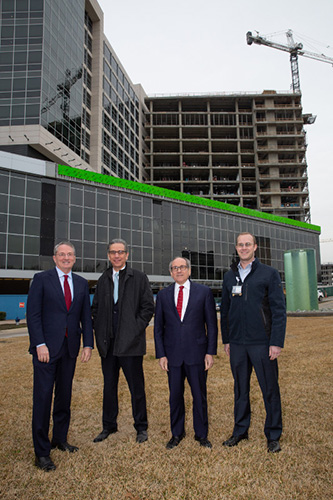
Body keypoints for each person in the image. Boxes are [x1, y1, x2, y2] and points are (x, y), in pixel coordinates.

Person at [27, 241, 93, 471]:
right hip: (45, 350)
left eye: (70, 254)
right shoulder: (41, 279)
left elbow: (85, 316)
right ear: (54, 258)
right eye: (62, 254)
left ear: (75, 258)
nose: (66, 258)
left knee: (64, 396)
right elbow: (33, 315)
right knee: (43, 399)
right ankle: (42, 452)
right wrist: (39, 344)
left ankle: (60, 439)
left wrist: (88, 345)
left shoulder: (82, 283)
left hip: (70, 349)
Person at [221, 232, 286, 453]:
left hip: (262, 343)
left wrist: (276, 342)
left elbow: (279, 311)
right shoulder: (229, 276)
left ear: (255, 247)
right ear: (236, 248)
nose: (244, 248)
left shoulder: (269, 274)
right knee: (240, 389)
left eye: (248, 244)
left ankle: (273, 434)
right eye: (240, 245)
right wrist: (227, 340)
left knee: (270, 389)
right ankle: (240, 431)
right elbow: (226, 311)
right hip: (238, 344)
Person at [92, 239, 154, 444]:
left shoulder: (139, 277)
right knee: (109, 387)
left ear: (127, 255)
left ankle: (141, 427)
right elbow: (96, 309)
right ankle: (108, 426)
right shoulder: (103, 279)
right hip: (108, 345)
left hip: (131, 345)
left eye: (120, 252)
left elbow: (148, 308)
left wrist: (135, 328)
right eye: (112, 252)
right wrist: (100, 331)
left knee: (136, 388)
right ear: (108, 255)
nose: (116, 256)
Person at [154, 257, 218, 449]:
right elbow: (158, 328)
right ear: (171, 272)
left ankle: (201, 434)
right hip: (172, 356)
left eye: (182, 267)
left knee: (199, 395)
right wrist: (161, 354)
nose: (179, 271)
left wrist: (210, 352)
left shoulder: (204, 292)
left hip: (197, 354)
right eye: (174, 268)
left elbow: (212, 326)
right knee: (175, 396)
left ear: (189, 270)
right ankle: (177, 433)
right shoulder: (163, 295)